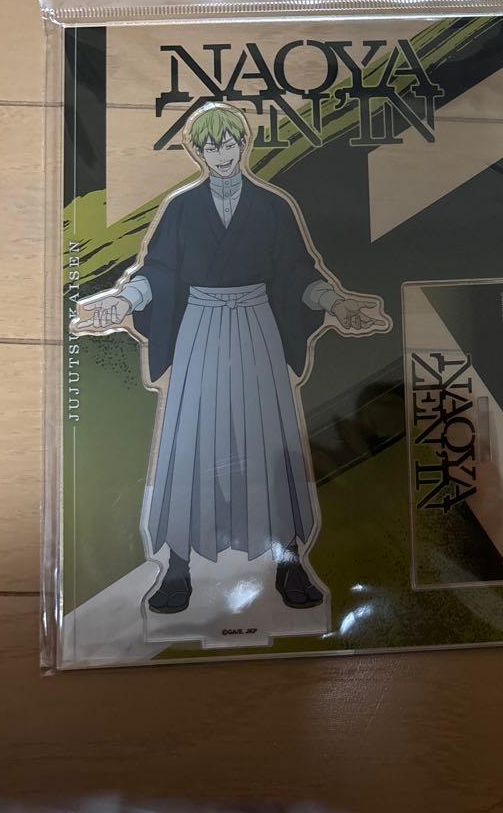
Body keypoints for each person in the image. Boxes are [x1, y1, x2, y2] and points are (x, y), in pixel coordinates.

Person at [73, 104, 389, 614]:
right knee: (191, 438)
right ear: (197, 151)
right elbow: (158, 271)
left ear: (244, 145)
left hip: (257, 328)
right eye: (210, 145)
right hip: (198, 329)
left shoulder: (273, 206)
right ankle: (177, 566)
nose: (221, 154)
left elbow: (297, 272)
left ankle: (288, 560)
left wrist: (336, 303)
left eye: (229, 143)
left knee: (268, 437)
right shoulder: (181, 208)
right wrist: (122, 301)